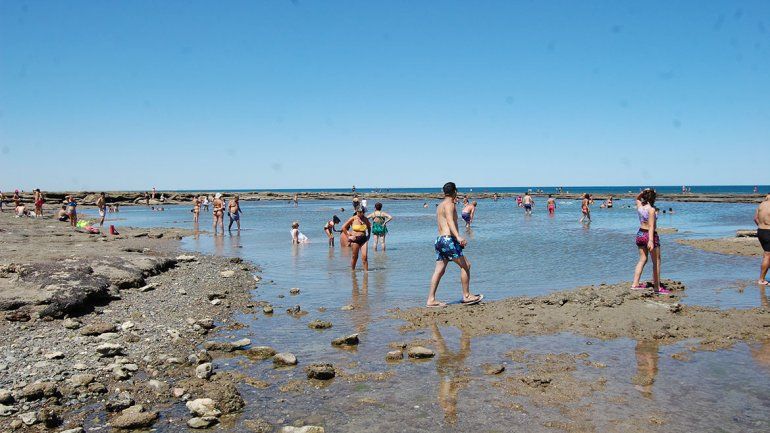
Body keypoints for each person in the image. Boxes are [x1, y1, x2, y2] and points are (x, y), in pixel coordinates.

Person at [427, 182, 483, 308]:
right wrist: (457, 236)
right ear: (455, 191)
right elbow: (450, 221)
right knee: (466, 265)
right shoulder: (450, 204)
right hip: (448, 239)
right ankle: (467, 296)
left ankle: (431, 299)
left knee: (439, 271)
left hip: (439, 240)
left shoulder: (440, 205)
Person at [631, 189, 669, 293]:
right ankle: (657, 288)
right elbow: (651, 226)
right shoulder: (651, 210)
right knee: (656, 262)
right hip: (649, 235)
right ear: (653, 198)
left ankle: (635, 284)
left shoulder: (640, 206)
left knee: (642, 259)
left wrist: (643, 191)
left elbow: (637, 198)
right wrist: (651, 240)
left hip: (640, 233)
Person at [754, 193, 770, 286]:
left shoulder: (761, 205)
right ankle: (762, 279)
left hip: (761, 231)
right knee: (767, 255)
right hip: (768, 231)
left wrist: (762, 227)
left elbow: (755, 219)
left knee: (768, 254)